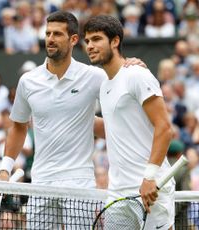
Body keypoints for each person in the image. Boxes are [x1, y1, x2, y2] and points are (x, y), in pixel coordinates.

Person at [0, 11, 145, 229]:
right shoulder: (28, 81)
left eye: (57, 34)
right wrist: (4, 170)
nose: (50, 39)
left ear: (73, 39)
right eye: (47, 33)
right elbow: (19, 126)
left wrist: (129, 66)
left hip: (80, 182)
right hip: (41, 183)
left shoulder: (94, 76)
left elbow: (120, 95)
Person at [83, 15, 175, 229]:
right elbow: (113, 129)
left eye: (96, 39)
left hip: (152, 187)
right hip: (118, 192)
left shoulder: (137, 75)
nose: (90, 46)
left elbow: (164, 128)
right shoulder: (105, 86)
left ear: (115, 41)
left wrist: (150, 177)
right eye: (87, 41)